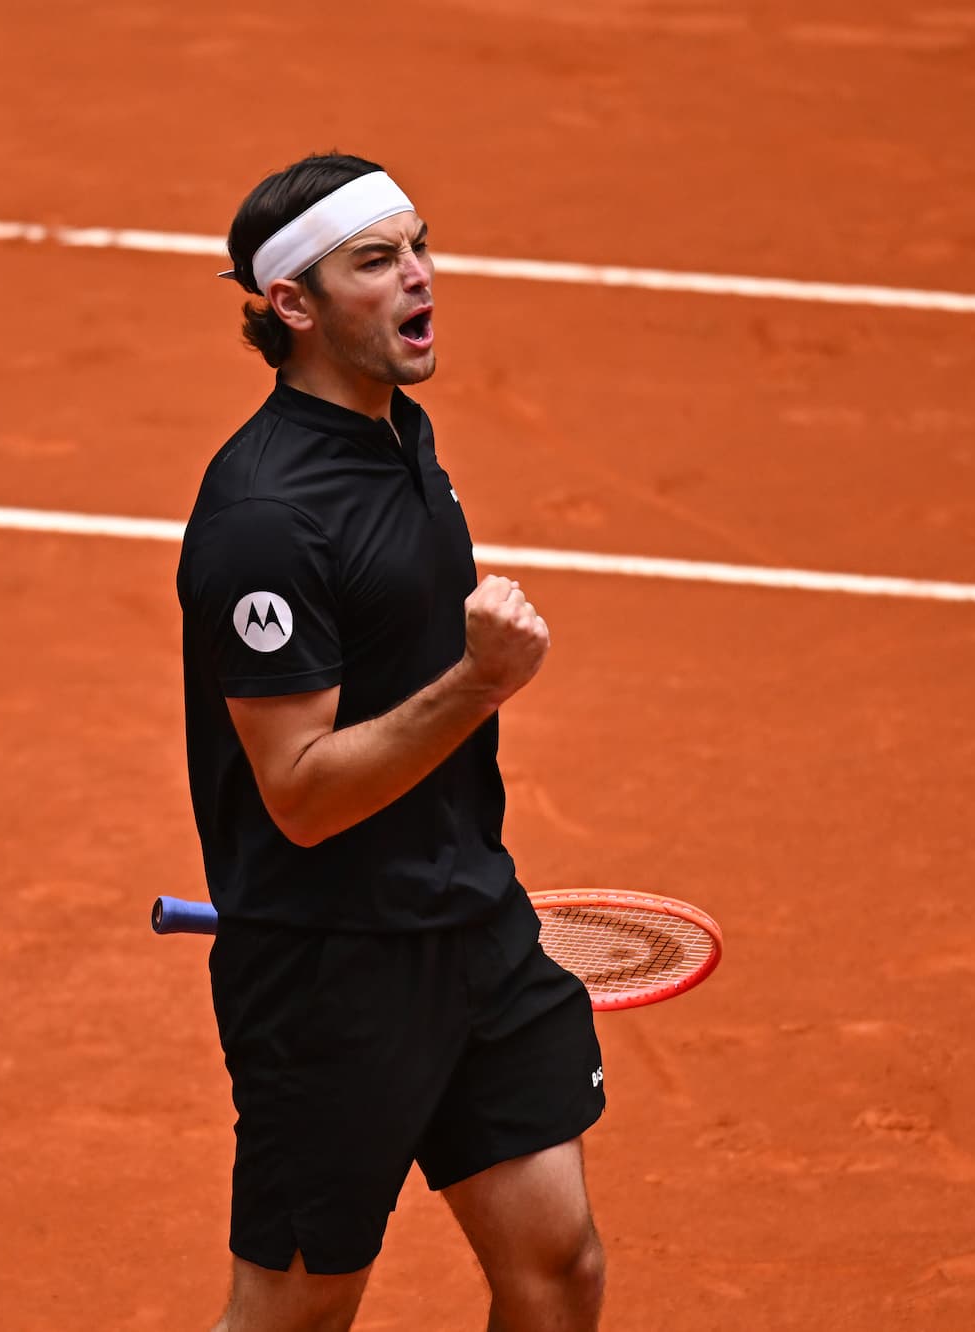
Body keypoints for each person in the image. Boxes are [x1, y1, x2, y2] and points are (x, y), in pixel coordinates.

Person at [175, 153, 608, 1332]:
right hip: (331, 974)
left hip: (472, 927)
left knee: (557, 1266)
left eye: (419, 246)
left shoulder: (397, 435)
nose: (420, 278)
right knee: (298, 1312)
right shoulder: (266, 521)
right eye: (377, 261)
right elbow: (300, 795)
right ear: (291, 306)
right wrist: (478, 684)